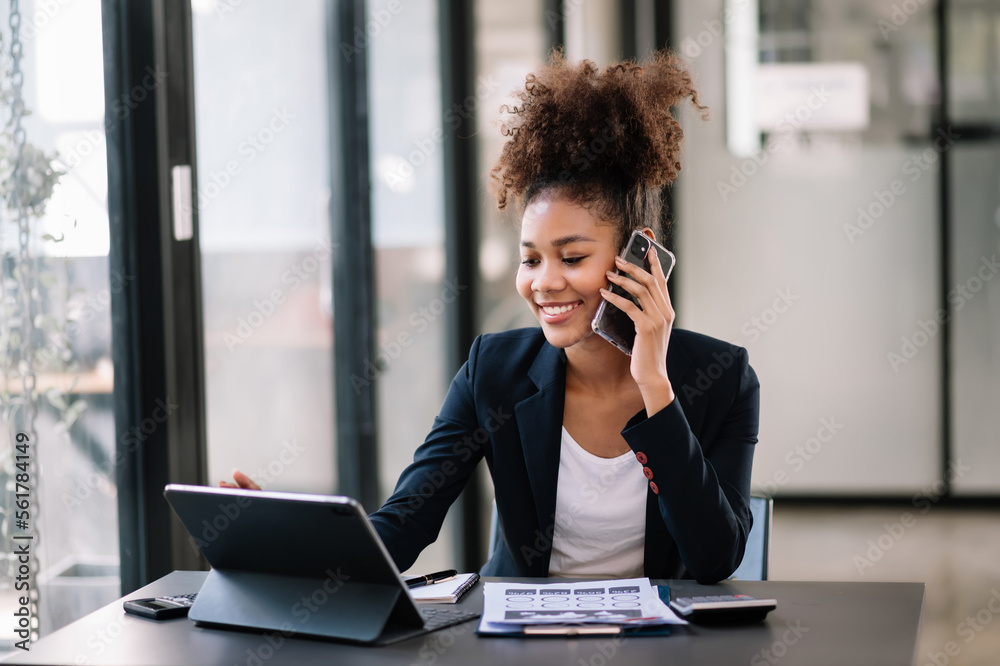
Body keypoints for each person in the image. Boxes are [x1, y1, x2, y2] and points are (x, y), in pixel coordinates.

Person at [224, 50, 759, 585]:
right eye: (530, 259)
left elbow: (716, 558)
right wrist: (286, 534)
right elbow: (402, 530)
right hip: (520, 637)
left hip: (657, 643)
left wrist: (655, 388)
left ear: (637, 259)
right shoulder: (494, 371)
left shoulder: (722, 380)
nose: (543, 281)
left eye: (572, 258)